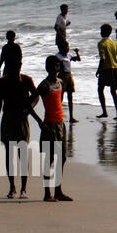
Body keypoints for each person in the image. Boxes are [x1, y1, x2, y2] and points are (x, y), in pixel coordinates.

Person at [0, 69, 41, 199]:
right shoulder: (2, 82)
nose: (16, 68)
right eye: (13, 65)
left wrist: (28, 109)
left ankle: (23, 189)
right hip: (8, 118)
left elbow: (36, 96)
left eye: (18, 64)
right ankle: (12, 187)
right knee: (9, 154)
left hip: (22, 119)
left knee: (22, 154)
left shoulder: (26, 80)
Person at [29, 55, 72, 201]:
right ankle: (47, 193)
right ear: (47, 68)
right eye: (53, 66)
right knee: (50, 160)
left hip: (60, 124)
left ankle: (58, 190)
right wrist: (40, 122)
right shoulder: (44, 85)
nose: (56, 69)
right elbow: (30, 104)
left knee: (62, 158)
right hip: (49, 126)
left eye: (57, 66)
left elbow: (59, 101)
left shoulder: (60, 82)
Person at [95, 23, 117, 119]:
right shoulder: (114, 43)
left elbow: (102, 58)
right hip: (115, 68)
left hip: (106, 69)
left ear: (103, 32)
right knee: (113, 91)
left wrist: (98, 70)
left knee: (100, 89)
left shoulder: (101, 43)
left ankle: (104, 112)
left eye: (101, 31)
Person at [56, 37, 80, 123]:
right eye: (65, 47)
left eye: (68, 47)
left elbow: (78, 59)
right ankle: (58, 116)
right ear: (60, 48)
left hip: (69, 76)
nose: (67, 49)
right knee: (60, 97)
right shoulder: (58, 56)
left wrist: (77, 53)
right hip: (62, 76)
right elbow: (57, 67)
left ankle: (71, 117)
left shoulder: (68, 55)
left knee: (70, 96)